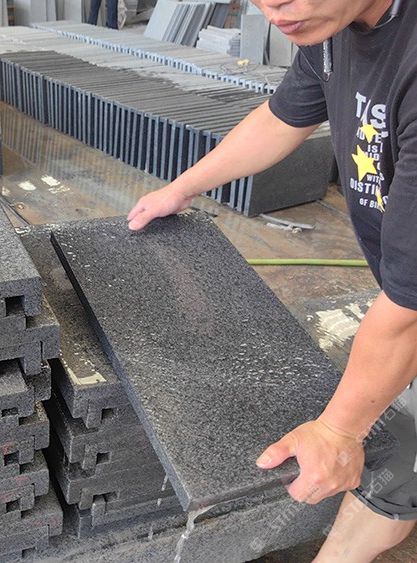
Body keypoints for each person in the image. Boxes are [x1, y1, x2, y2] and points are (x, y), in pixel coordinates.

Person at [128, 0, 417, 560]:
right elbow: (282, 117)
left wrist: (339, 432)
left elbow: (407, 311)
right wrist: (183, 187)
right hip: (404, 288)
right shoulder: (330, 24)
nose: (274, 8)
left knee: (393, 451)